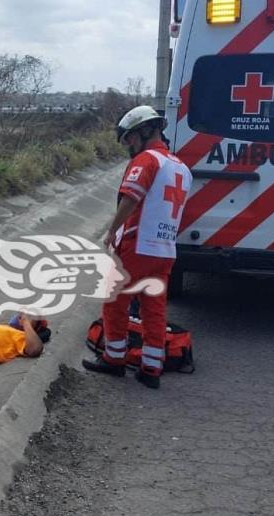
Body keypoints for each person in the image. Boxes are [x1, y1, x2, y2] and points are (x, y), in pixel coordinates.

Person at [82, 106, 192, 389]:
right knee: (154, 308)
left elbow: (130, 198)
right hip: (165, 249)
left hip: (137, 244)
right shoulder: (180, 167)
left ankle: (114, 359)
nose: (128, 145)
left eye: (130, 138)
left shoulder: (147, 160)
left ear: (145, 131)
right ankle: (151, 368)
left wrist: (111, 230)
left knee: (114, 301)